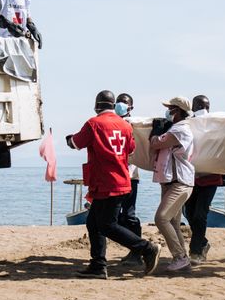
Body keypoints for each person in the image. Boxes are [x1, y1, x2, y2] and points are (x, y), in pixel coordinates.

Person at [66, 90, 161, 279]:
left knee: (107, 225)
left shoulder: (94, 123)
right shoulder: (125, 125)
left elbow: (76, 143)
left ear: (96, 105)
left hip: (105, 181)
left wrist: (69, 139)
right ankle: (98, 265)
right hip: (121, 180)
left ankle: (146, 248)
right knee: (93, 223)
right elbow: (131, 148)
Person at [149, 96, 195, 272]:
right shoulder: (176, 128)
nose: (169, 112)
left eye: (171, 109)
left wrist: (155, 133)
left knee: (161, 218)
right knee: (174, 223)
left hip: (180, 183)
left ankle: (180, 257)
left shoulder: (181, 130)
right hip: (172, 182)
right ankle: (183, 259)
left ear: (179, 111)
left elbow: (156, 144)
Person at [185, 95, 224, 265]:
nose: (202, 107)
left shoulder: (216, 124)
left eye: (205, 105)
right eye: (199, 105)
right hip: (191, 176)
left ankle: (195, 252)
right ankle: (203, 243)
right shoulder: (187, 123)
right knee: (189, 213)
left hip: (210, 177)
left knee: (200, 214)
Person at [114, 92, 143, 266]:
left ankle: (137, 251)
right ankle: (135, 249)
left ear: (131, 106)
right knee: (119, 217)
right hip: (118, 175)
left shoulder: (135, 125)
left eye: (124, 102)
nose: (120, 105)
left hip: (131, 176)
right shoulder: (116, 123)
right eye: (118, 102)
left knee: (129, 215)